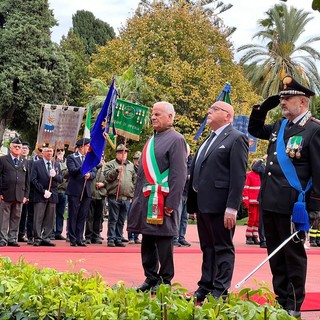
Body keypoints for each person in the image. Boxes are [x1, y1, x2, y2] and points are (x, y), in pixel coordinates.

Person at [248, 75, 320, 318]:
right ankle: (280, 299)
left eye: (287, 99)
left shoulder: (313, 130)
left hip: (293, 206)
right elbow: (255, 129)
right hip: (270, 201)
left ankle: (293, 304)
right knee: (275, 255)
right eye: (282, 99)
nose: (283, 103)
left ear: (303, 102)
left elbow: (319, 174)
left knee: (293, 257)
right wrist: (261, 109)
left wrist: (314, 208)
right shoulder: (280, 126)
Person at [187, 100, 249, 302]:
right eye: (209, 108)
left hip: (222, 205)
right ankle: (206, 285)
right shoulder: (208, 139)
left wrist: (232, 207)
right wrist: (194, 202)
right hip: (204, 204)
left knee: (222, 247)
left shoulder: (236, 138)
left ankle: (220, 289)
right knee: (207, 247)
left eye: (214, 109)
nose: (209, 111)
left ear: (228, 116)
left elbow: (239, 176)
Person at [127, 101, 187, 292]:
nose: (153, 117)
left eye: (158, 114)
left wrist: (172, 203)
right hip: (146, 200)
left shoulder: (176, 139)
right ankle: (150, 277)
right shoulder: (150, 140)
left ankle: (165, 280)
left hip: (163, 200)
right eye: (152, 114)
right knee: (147, 241)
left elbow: (179, 175)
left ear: (170, 117)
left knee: (164, 241)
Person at [66, 138, 96, 247]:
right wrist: (83, 168)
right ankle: (72, 238)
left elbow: (94, 172)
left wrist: (90, 175)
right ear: (81, 147)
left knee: (82, 216)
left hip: (86, 190)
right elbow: (72, 171)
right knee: (73, 215)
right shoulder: (71, 157)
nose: (89, 149)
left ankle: (79, 238)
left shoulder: (89, 158)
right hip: (75, 190)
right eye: (87, 146)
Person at [0, 137, 30, 247]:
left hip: (20, 194)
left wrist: (26, 195)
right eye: (15, 146)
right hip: (6, 194)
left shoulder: (25, 161)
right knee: (3, 218)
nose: (17, 148)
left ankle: (12, 238)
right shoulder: (3, 160)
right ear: (10, 148)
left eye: (19, 147)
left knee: (16, 217)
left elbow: (27, 180)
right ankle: (3, 239)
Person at [105, 144, 136, 247]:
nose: (124, 154)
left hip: (126, 197)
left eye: (125, 152)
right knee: (113, 219)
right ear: (117, 154)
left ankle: (118, 238)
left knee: (122, 220)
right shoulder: (111, 164)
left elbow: (134, 180)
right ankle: (111, 238)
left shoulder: (130, 165)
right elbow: (107, 177)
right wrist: (116, 171)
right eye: (121, 152)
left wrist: (133, 194)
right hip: (115, 196)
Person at [31, 147, 62, 246]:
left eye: (51, 151)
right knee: (38, 217)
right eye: (47, 151)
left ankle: (46, 237)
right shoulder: (36, 164)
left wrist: (55, 176)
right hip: (40, 194)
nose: (49, 153)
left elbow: (61, 179)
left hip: (52, 194)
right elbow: (33, 179)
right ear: (43, 153)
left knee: (50, 217)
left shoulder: (56, 164)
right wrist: (43, 190)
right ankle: (37, 238)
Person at [174, 143, 193, 247]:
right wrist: (186, 177)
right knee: (178, 215)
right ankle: (175, 238)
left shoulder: (191, 161)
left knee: (185, 217)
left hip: (188, 193)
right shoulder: (177, 160)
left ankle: (182, 237)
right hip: (179, 192)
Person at [85, 158, 107, 244]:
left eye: (102, 157)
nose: (101, 159)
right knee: (89, 217)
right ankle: (88, 236)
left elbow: (109, 179)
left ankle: (96, 235)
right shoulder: (91, 165)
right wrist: (97, 166)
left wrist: (103, 184)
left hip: (101, 194)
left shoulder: (106, 167)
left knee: (99, 217)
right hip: (91, 193)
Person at [243, 159, 261, 245]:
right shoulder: (249, 175)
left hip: (259, 202)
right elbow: (245, 188)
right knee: (252, 219)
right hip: (251, 201)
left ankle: (255, 235)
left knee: (257, 220)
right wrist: (246, 200)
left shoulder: (261, 175)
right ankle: (248, 236)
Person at [252, 155, 267, 248]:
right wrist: (262, 158)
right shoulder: (263, 167)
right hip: (264, 196)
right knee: (262, 220)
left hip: (274, 196)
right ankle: (263, 240)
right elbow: (255, 167)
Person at [18, 141, 32, 242]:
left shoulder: (30, 163)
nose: (24, 150)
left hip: (26, 193)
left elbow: (30, 179)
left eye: (26, 148)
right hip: (16, 192)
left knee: (24, 215)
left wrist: (27, 194)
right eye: (22, 148)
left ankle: (21, 234)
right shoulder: (17, 161)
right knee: (15, 215)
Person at [54, 148, 68, 240]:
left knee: (60, 213)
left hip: (63, 190)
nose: (60, 152)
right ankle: (50, 231)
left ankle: (58, 232)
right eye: (58, 150)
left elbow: (65, 175)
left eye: (62, 150)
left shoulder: (67, 162)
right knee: (51, 213)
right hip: (54, 190)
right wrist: (57, 163)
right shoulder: (52, 162)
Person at [128, 151, 141, 244]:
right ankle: (130, 236)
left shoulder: (143, 169)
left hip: (140, 195)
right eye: (137, 160)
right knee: (131, 216)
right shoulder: (131, 168)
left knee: (139, 216)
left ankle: (136, 236)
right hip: (132, 194)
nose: (138, 162)